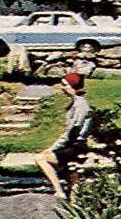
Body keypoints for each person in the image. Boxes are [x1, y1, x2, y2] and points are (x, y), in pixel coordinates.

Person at [35, 69, 93, 200]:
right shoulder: (78, 103)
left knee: (41, 158)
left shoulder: (80, 106)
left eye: (65, 85)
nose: (62, 88)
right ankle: (74, 204)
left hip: (74, 146)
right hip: (77, 145)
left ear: (73, 87)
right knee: (73, 179)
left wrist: (52, 148)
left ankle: (59, 191)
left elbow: (72, 131)